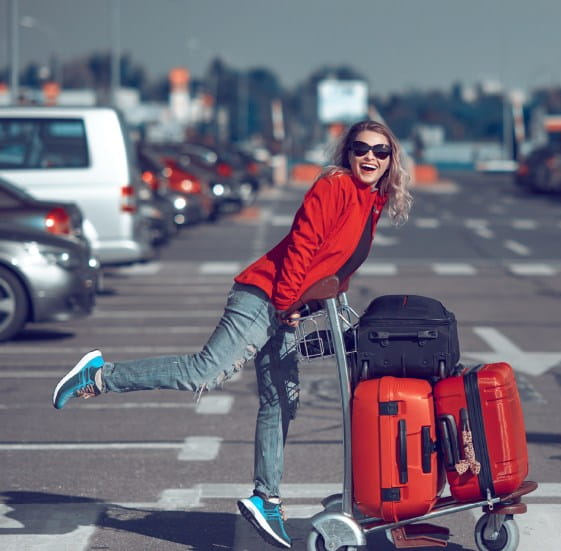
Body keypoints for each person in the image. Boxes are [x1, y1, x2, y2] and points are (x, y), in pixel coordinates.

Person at [51, 120, 412, 549]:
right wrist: (286, 304)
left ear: (392, 160)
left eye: (380, 151)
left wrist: (314, 303)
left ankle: (267, 499)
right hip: (264, 297)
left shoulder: (372, 199)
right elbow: (302, 245)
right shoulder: (333, 186)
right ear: (347, 152)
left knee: (281, 401)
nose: (370, 157)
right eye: (361, 148)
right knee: (203, 372)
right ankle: (98, 375)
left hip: (289, 305)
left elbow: (337, 264)